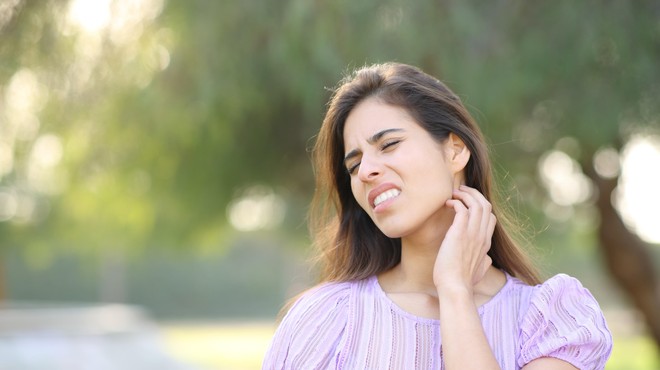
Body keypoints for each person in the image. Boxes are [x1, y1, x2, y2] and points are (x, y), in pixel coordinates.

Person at [263, 62, 612, 369]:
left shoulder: (552, 320)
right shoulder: (325, 319)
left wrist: (454, 290)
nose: (366, 170)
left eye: (388, 145)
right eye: (353, 164)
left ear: (456, 151)